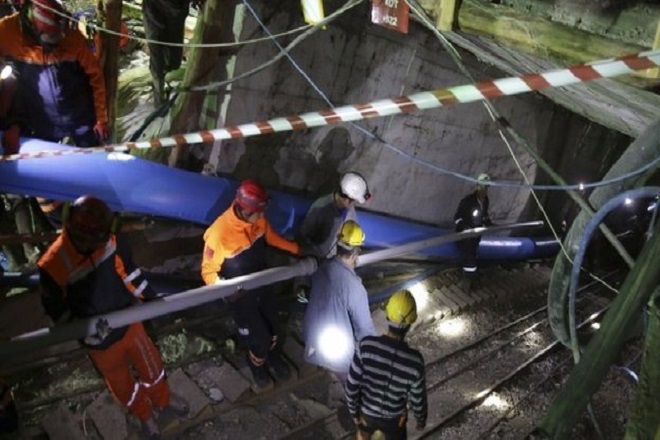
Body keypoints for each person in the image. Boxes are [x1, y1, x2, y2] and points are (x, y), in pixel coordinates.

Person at [38, 195, 188, 440]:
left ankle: (163, 401)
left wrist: (151, 301)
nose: (107, 240)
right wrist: (89, 333)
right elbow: (59, 314)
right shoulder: (53, 265)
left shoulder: (109, 239)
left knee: (152, 367)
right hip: (100, 342)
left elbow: (128, 272)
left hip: (129, 320)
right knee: (122, 385)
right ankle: (144, 415)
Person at [201, 179, 301, 390]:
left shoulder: (258, 221)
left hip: (262, 284)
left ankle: (274, 357)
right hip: (241, 296)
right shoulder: (218, 234)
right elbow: (208, 272)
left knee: (277, 328)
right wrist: (228, 292)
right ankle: (257, 364)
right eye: (260, 211)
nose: (263, 215)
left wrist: (297, 250)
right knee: (260, 338)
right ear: (246, 211)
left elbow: (272, 239)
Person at [0, 0, 110, 150]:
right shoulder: (8, 32)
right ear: (35, 25)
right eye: (51, 39)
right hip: (40, 120)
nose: (56, 45)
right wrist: (12, 124)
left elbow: (95, 76)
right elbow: (13, 87)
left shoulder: (72, 36)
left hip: (79, 117)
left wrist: (101, 119)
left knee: (94, 155)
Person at [346, 289, 427, 440]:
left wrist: (354, 414)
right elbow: (418, 398)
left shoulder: (366, 346)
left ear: (387, 316)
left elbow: (351, 387)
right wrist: (421, 420)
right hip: (394, 420)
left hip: (366, 414)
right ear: (411, 323)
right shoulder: (415, 362)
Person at [302, 220, 376, 383]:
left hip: (312, 341)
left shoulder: (320, 269)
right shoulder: (354, 287)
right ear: (356, 254)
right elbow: (365, 330)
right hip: (338, 355)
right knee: (351, 379)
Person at [295, 171, 371, 303]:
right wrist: (302, 283)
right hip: (314, 269)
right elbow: (301, 242)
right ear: (347, 199)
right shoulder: (320, 209)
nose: (354, 204)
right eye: (354, 201)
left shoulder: (348, 210)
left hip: (332, 270)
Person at [142, 0, 203, 105]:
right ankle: (159, 99)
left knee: (174, 61)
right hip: (154, 12)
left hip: (175, 14)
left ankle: (164, 80)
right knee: (158, 60)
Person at [453, 173, 493, 292]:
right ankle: (467, 284)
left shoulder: (485, 201)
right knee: (470, 260)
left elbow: (484, 215)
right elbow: (457, 217)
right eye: (482, 186)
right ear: (477, 186)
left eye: (486, 187)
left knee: (473, 256)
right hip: (466, 237)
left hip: (476, 237)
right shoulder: (467, 202)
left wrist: (489, 223)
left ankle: (470, 277)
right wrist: (464, 228)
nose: (484, 190)